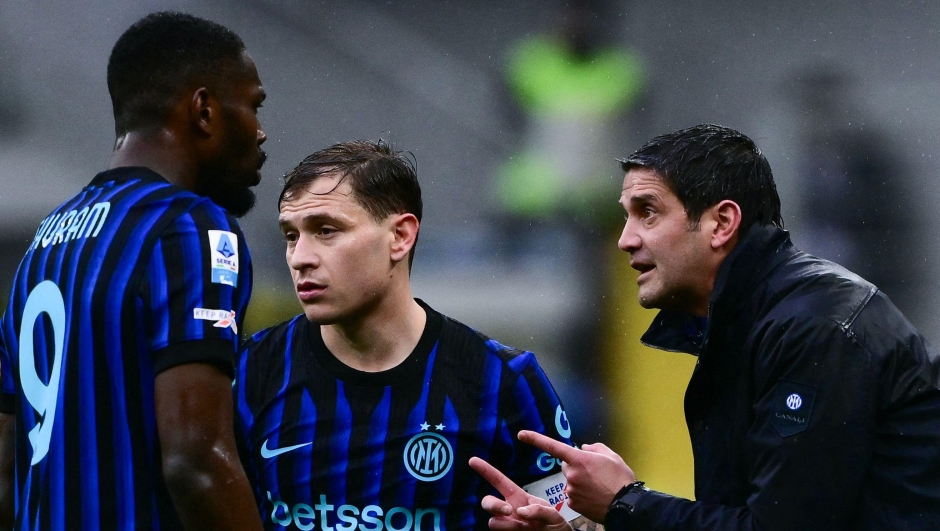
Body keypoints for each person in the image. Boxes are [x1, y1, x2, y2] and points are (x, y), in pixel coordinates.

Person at [473, 124, 940, 530]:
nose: (625, 239)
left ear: (721, 223)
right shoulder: (749, 321)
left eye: (648, 212)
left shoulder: (815, 329)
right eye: (626, 215)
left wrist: (625, 504)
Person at [0, 12, 267, 530]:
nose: (260, 132)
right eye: (254, 106)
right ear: (204, 110)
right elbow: (197, 462)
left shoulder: (44, 245)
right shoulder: (187, 227)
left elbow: (6, 478)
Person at [233, 140, 581, 531]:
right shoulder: (251, 372)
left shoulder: (502, 381)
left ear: (400, 236)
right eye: (291, 236)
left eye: (326, 230)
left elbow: (574, 519)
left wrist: (563, 528)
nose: (300, 258)